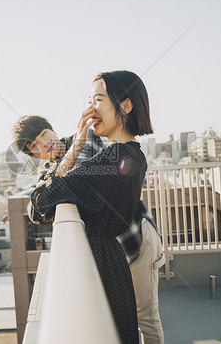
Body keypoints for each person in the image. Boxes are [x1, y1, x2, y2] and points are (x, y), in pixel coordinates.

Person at [17, 70, 158, 344]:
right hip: (114, 254)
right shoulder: (128, 153)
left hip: (118, 251)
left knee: (136, 321)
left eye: (98, 100)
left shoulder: (112, 156)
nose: (90, 108)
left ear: (126, 106)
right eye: (89, 100)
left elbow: (40, 202)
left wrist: (71, 154)